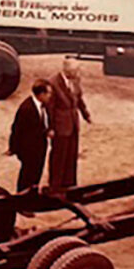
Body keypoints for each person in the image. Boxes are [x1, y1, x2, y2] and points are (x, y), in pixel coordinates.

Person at [46, 58, 91, 193]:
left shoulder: (75, 80)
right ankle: (55, 186)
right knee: (59, 157)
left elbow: (79, 99)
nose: (79, 73)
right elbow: (50, 108)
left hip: (73, 124)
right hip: (60, 126)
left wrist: (85, 114)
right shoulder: (53, 83)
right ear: (68, 71)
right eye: (76, 70)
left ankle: (70, 184)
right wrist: (50, 128)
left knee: (71, 155)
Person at [8, 80, 53, 192]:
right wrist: (13, 148)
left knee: (37, 173)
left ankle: (32, 197)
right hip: (28, 149)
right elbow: (16, 129)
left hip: (40, 146)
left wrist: (47, 131)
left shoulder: (44, 106)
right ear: (41, 94)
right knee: (27, 175)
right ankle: (22, 200)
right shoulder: (26, 108)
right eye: (48, 93)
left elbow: (44, 122)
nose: (50, 96)